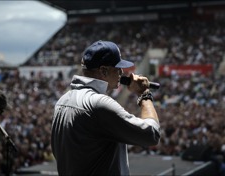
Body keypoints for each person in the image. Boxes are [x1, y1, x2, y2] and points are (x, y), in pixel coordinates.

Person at [51, 40, 161, 175]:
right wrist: (144, 94)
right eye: (118, 68)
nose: (122, 72)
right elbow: (151, 134)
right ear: (103, 70)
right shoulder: (99, 104)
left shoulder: (62, 101)